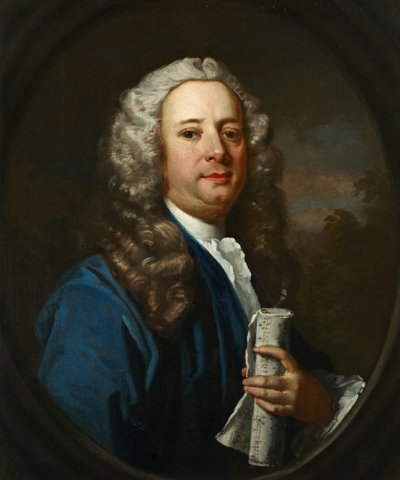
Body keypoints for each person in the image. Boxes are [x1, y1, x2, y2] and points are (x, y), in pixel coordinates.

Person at [36, 57, 364, 478]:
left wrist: (317, 403)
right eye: (191, 133)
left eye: (231, 133)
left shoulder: (240, 268)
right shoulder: (96, 296)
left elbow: (305, 397)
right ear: (153, 155)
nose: (218, 151)